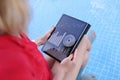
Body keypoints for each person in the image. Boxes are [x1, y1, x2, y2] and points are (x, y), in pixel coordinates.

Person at [0, 0, 91, 80]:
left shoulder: (9, 31)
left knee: (81, 48)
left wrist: (40, 40)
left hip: (37, 69)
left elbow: (19, 47)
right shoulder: (13, 65)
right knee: (83, 43)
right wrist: (62, 71)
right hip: (46, 75)